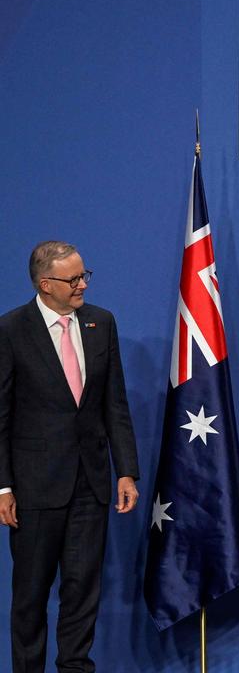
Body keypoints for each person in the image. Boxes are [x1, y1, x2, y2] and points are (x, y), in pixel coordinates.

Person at [0, 240, 140, 673]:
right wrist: (4, 485)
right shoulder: (10, 330)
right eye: (73, 279)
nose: (83, 284)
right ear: (45, 284)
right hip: (35, 487)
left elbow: (113, 404)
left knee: (82, 591)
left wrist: (126, 472)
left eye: (85, 275)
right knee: (31, 596)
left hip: (90, 484)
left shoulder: (102, 323)